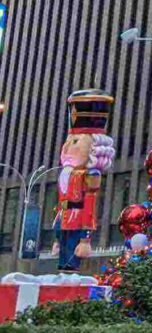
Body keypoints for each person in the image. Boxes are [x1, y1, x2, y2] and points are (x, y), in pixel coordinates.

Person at [52, 90, 115, 271]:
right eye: (69, 140)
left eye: (75, 142)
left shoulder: (90, 175)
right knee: (62, 263)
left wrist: (85, 239)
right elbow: (61, 203)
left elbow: (89, 207)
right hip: (64, 220)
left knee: (71, 265)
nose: (66, 147)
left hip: (78, 221)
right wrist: (56, 235)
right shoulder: (67, 173)